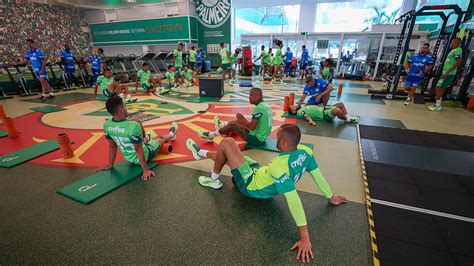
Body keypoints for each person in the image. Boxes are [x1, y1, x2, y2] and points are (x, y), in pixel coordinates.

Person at [185, 124, 347, 263]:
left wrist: (305, 237)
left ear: (283, 142)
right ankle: (200, 153)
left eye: (277, 137)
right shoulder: (306, 151)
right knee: (231, 155)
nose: (274, 138)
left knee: (227, 142)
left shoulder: (280, 167)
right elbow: (318, 176)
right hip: (261, 172)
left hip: (251, 185)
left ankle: (214, 179)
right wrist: (330, 196)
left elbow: (294, 199)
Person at [97, 96, 179, 180]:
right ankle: (172, 134)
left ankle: (144, 138)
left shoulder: (107, 125)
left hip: (128, 157)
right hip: (142, 156)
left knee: (137, 121)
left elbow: (112, 146)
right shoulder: (132, 126)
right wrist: (146, 170)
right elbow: (139, 150)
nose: (126, 108)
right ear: (121, 109)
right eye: (125, 106)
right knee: (160, 138)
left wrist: (110, 165)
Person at [197, 88, 272, 147]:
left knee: (233, 125)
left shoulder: (258, 108)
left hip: (257, 139)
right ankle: (221, 126)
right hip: (263, 137)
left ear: (258, 96)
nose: (249, 97)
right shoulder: (265, 105)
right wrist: (241, 120)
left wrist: (243, 118)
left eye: (251, 95)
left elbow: (252, 128)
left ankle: (211, 135)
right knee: (237, 122)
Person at [429, 38, 463, 111]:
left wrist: (447, 72)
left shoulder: (458, 50)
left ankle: (437, 105)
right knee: (440, 88)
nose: (450, 44)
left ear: (456, 42)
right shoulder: (453, 50)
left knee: (438, 88)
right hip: (445, 73)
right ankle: (438, 104)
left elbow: (459, 61)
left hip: (448, 73)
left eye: (452, 42)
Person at [288, 102, 359, 125]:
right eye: (292, 108)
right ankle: (347, 119)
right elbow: (305, 116)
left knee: (340, 104)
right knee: (337, 110)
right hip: (325, 114)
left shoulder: (302, 107)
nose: (294, 106)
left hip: (325, 108)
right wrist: (310, 121)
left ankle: (347, 116)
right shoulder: (300, 112)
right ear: (293, 112)